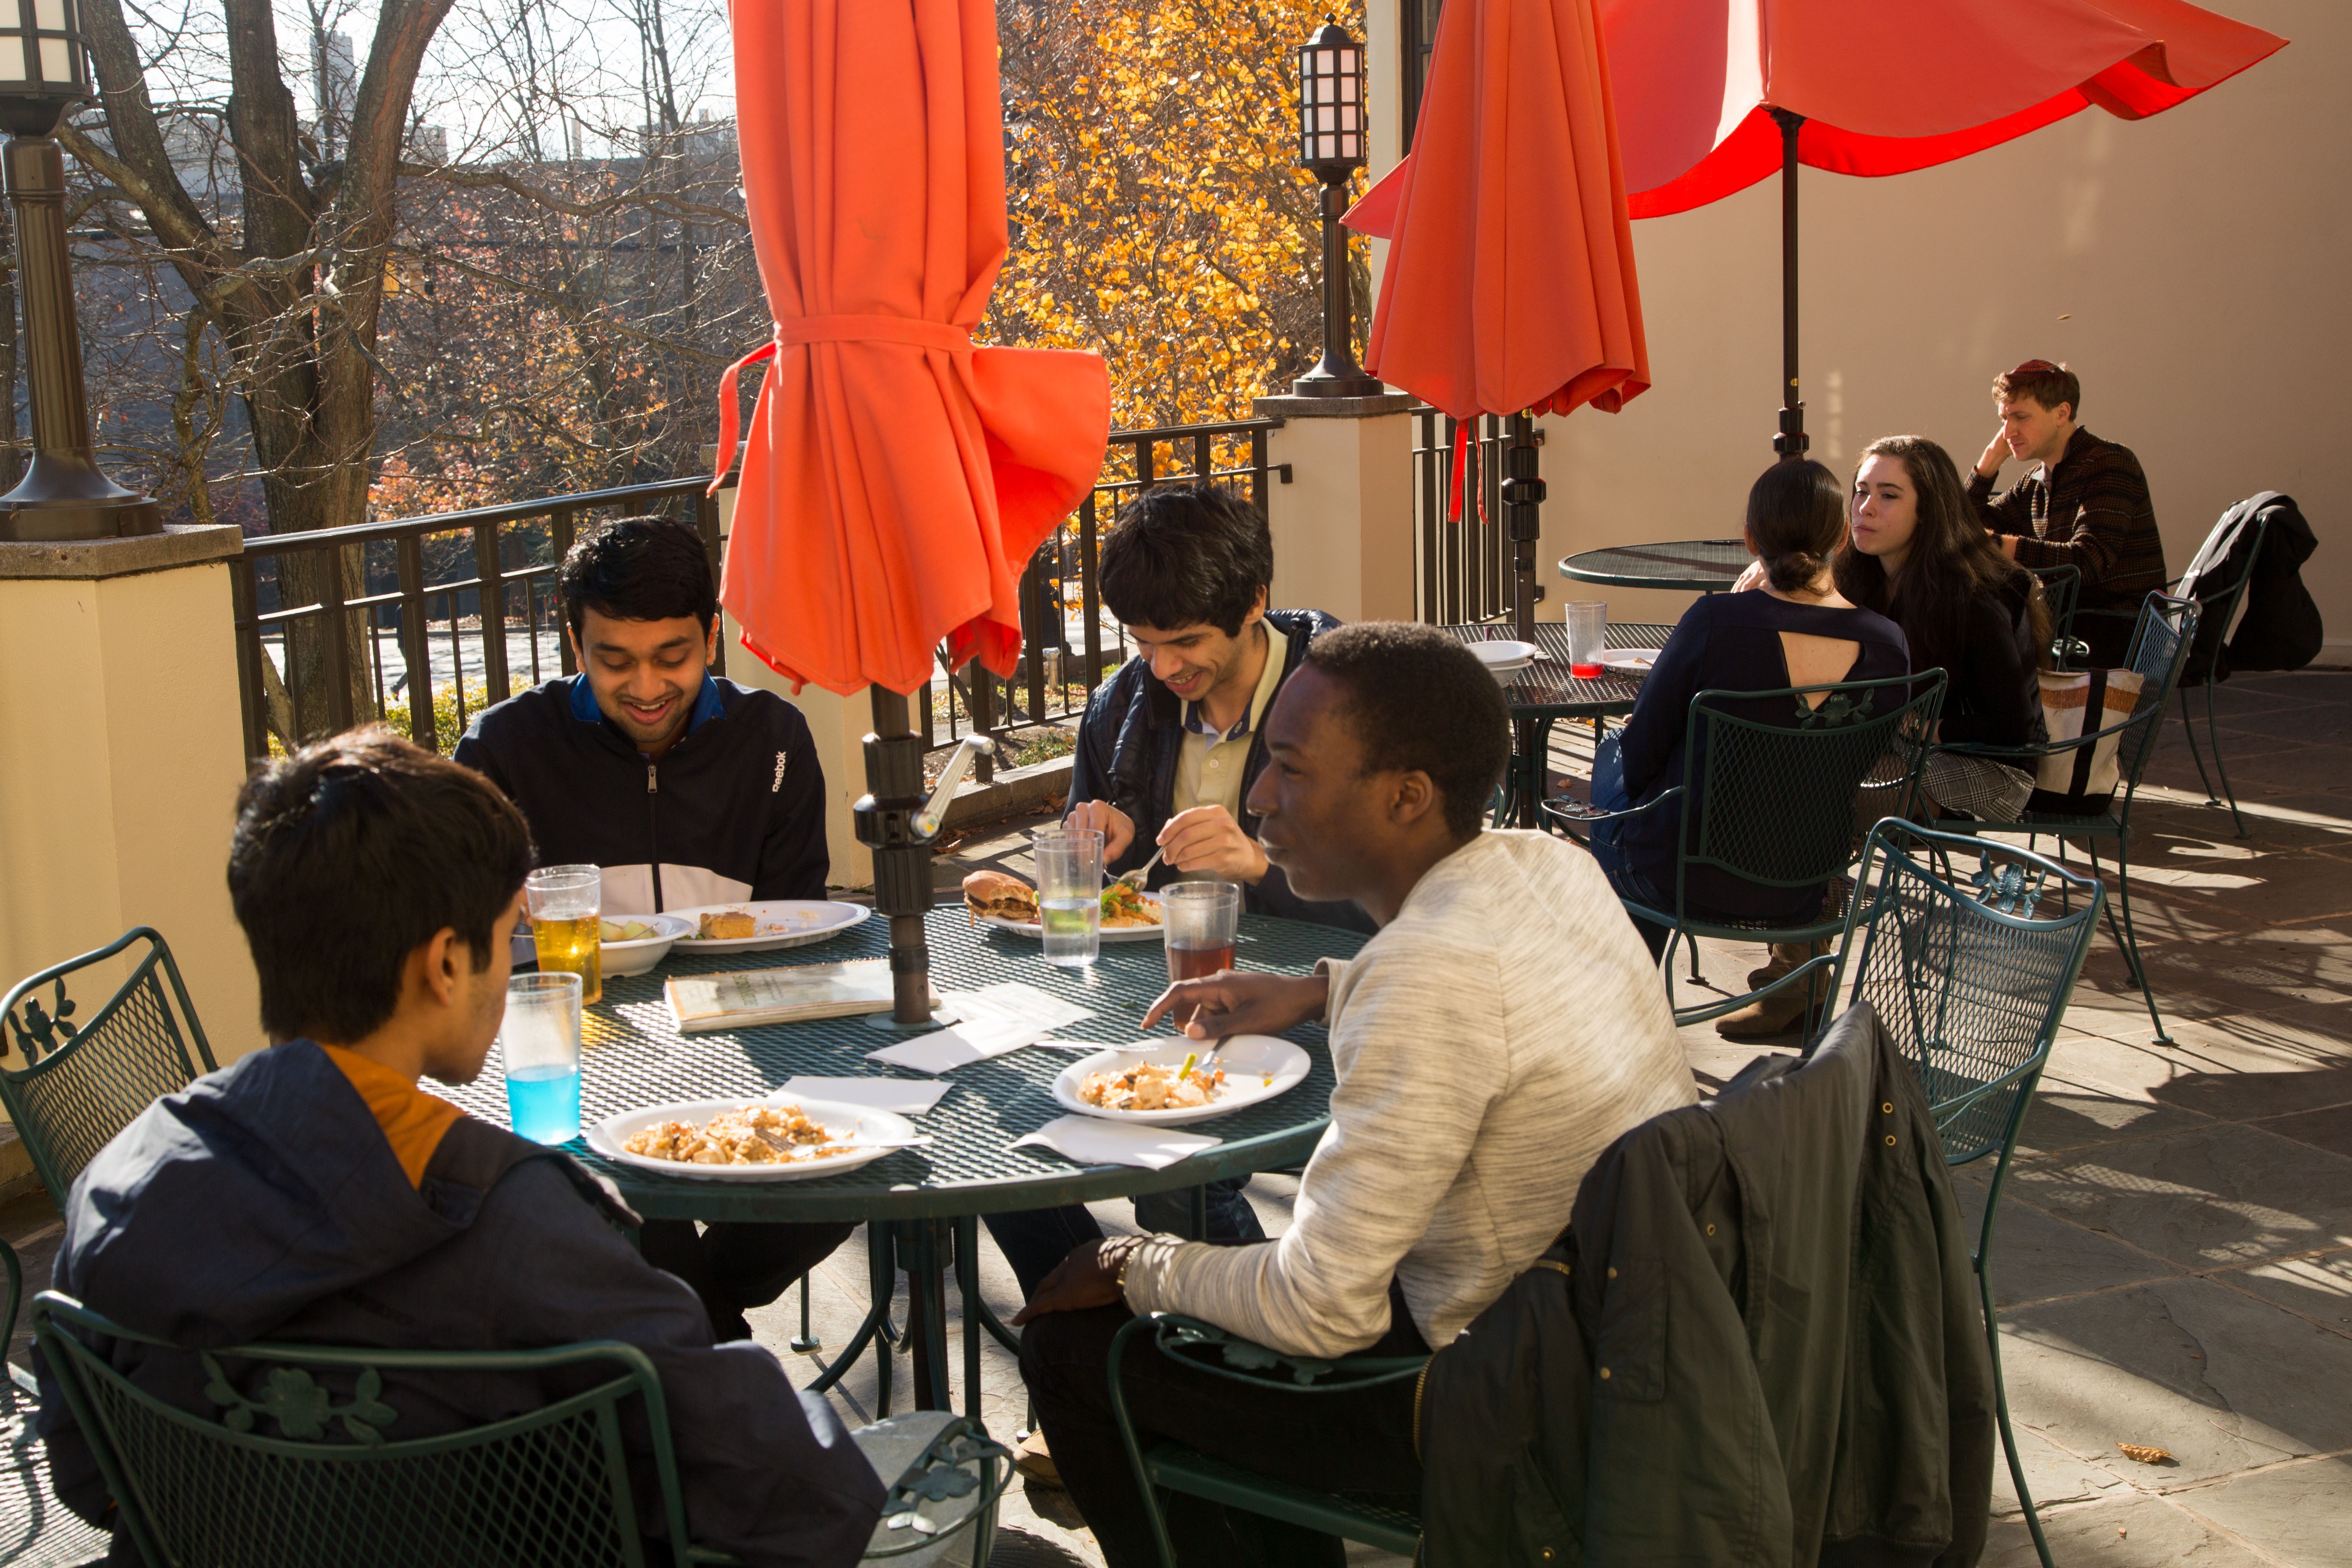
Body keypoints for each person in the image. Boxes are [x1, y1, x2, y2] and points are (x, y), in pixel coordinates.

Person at [36, 730, 883, 1566]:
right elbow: (796, 1495)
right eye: (507, 935)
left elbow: (90, 1475)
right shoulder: (518, 1226)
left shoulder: (119, 1182)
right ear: (445, 962)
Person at [1011, 623, 1698, 1568]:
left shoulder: (1424, 974)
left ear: (1406, 795)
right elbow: (1487, 993)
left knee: (1077, 1348)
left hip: (1499, 1404)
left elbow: (1321, 1312)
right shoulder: (1551, 865)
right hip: (1624, 1333)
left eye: (1288, 770)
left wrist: (1135, 1262)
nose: (1255, 799)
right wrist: (1322, 986)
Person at [455, 516, 848, 1342]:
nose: (645, 687)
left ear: (710, 637)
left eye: (672, 657)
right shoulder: (502, 751)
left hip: (750, 1048)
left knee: (847, 1175)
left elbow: (804, 930)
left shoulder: (772, 739)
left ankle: (695, 1327)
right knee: (621, 1193)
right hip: (583, 1068)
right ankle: (709, 1345)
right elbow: (457, 945)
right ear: (574, 641)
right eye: (615, 660)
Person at [985, 485, 1365, 1330]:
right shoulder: (1122, 706)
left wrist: (1261, 864)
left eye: (1185, 642)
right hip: (1155, 1002)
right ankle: (1094, 1343)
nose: (1162, 667)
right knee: (1007, 1127)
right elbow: (1088, 900)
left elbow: (1403, 911)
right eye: (1143, 642)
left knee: (1173, 1166)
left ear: (1255, 603)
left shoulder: (1349, 696)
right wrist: (1101, 845)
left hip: (1320, 999)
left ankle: (1220, 1346)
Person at [1591, 459, 1909, 1039]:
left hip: (1683, 876)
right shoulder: (1888, 646)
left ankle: (1624, 1012)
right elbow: (1853, 765)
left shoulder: (1716, 621)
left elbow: (1642, 752)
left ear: (1749, 540)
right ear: (1841, 537)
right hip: (1803, 884)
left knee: (1614, 758)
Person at [1841, 434, 2050, 823]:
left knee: (1823, 794)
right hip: (1902, 749)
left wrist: (1921, 728)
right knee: (1790, 774)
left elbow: (2012, 726)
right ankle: (1831, 887)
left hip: (1992, 769)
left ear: (1928, 511)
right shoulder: (1863, 577)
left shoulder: (1972, 596)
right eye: (1860, 491)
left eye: (1888, 496)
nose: (1864, 509)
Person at [1969, 359, 2167, 667]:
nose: (2008, 431)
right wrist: (1990, 461)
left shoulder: (2110, 463)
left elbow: (2087, 561)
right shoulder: (2035, 480)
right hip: (2067, 628)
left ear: (2061, 413)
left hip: (2118, 635)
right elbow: (1962, 523)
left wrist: (1995, 545)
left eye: (2020, 417)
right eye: (2003, 419)